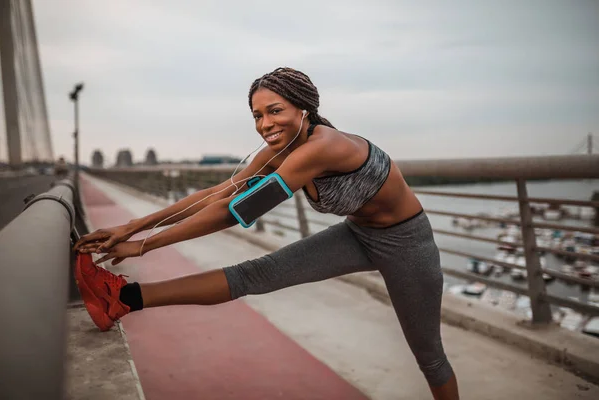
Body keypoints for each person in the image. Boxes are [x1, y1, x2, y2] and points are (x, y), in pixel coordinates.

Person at [74, 67, 459, 399]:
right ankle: (120, 298)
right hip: (358, 234)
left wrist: (143, 246)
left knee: (429, 355)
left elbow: (235, 211)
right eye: (257, 115)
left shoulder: (321, 148)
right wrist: (132, 226)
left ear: (304, 108)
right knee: (253, 275)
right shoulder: (280, 148)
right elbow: (221, 192)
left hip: (407, 242)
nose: (265, 124)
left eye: (275, 111)